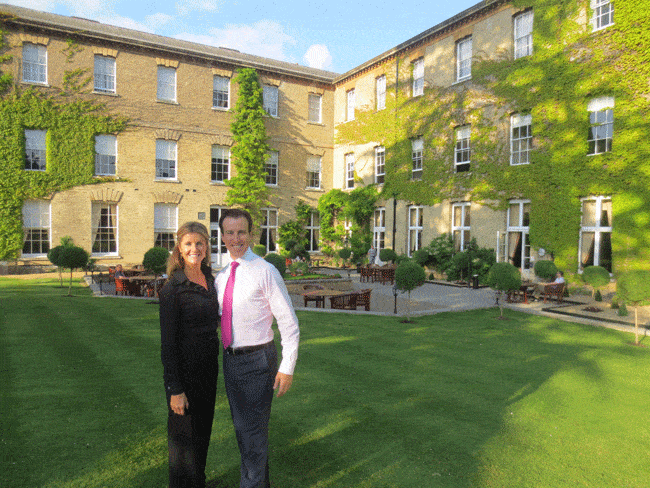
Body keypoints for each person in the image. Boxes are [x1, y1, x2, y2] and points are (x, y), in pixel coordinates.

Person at [216, 208, 300, 488]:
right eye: (230, 232)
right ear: (223, 236)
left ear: (251, 234)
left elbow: (289, 323)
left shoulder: (266, 271)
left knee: (251, 434)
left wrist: (287, 367)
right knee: (246, 434)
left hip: (257, 361)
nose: (236, 238)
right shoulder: (223, 275)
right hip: (230, 360)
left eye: (241, 232)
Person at [159, 222, 220, 488]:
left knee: (202, 436)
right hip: (184, 377)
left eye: (199, 243)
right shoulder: (173, 288)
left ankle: (199, 482)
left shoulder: (211, 280)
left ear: (206, 247)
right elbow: (168, 343)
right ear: (180, 249)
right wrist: (175, 388)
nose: (194, 248)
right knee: (184, 442)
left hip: (208, 372)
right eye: (188, 244)